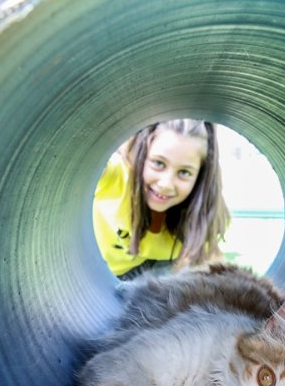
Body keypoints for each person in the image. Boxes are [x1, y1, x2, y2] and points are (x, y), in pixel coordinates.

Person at [93, 119, 230, 279]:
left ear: (199, 177)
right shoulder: (116, 176)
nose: (166, 184)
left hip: (155, 270)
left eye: (184, 172)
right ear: (142, 154)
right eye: (158, 163)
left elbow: (214, 266)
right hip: (98, 268)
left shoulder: (198, 219)